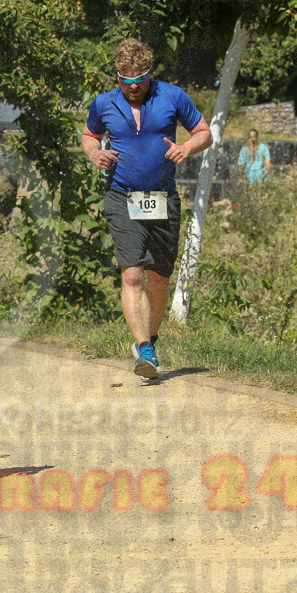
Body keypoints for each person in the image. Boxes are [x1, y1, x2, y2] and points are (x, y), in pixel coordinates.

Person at [81, 38, 212, 379]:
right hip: (122, 196)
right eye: (126, 78)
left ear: (150, 73)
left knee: (159, 279)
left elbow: (204, 133)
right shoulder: (103, 103)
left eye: (140, 77)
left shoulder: (172, 96)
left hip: (162, 198)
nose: (134, 85)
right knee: (133, 273)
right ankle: (145, 350)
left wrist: (187, 147)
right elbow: (89, 135)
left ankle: (149, 340)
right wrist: (95, 153)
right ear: (117, 75)